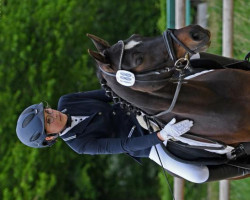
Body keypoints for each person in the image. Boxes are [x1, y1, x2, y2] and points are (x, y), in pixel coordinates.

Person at [16, 89, 248, 183]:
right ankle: (245, 166)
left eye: (46, 111)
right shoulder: (79, 144)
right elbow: (122, 144)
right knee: (196, 174)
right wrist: (161, 136)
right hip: (144, 141)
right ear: (49, 138)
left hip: (139, 108)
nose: (52, 114)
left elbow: (107, 94)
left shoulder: (67, 101)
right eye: (48, 121)